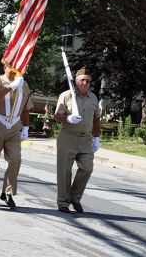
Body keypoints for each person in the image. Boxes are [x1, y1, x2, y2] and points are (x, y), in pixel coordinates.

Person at [0, 64, 33, 209]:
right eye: (14, 66)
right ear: (6, 66)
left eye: (22, 66)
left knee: (15, 159)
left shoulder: (24, 85)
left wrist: (26, 127)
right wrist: (11, 86)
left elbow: (26, 108)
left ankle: (8, 192)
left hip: (14, 126)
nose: (19, 69)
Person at [54, 67, 101, 213]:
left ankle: (75, 198)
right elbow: (56, 116)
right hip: (68, 136)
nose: (85, 83)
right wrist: (68, 118)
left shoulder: (93, 98)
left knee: (87, 168)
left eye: (87, 81)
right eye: (82, 80)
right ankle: (63, 202)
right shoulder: (67, 96)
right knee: (64, 172)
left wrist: (97, 137)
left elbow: (97, 119)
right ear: (76, 81)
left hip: (86, 139)